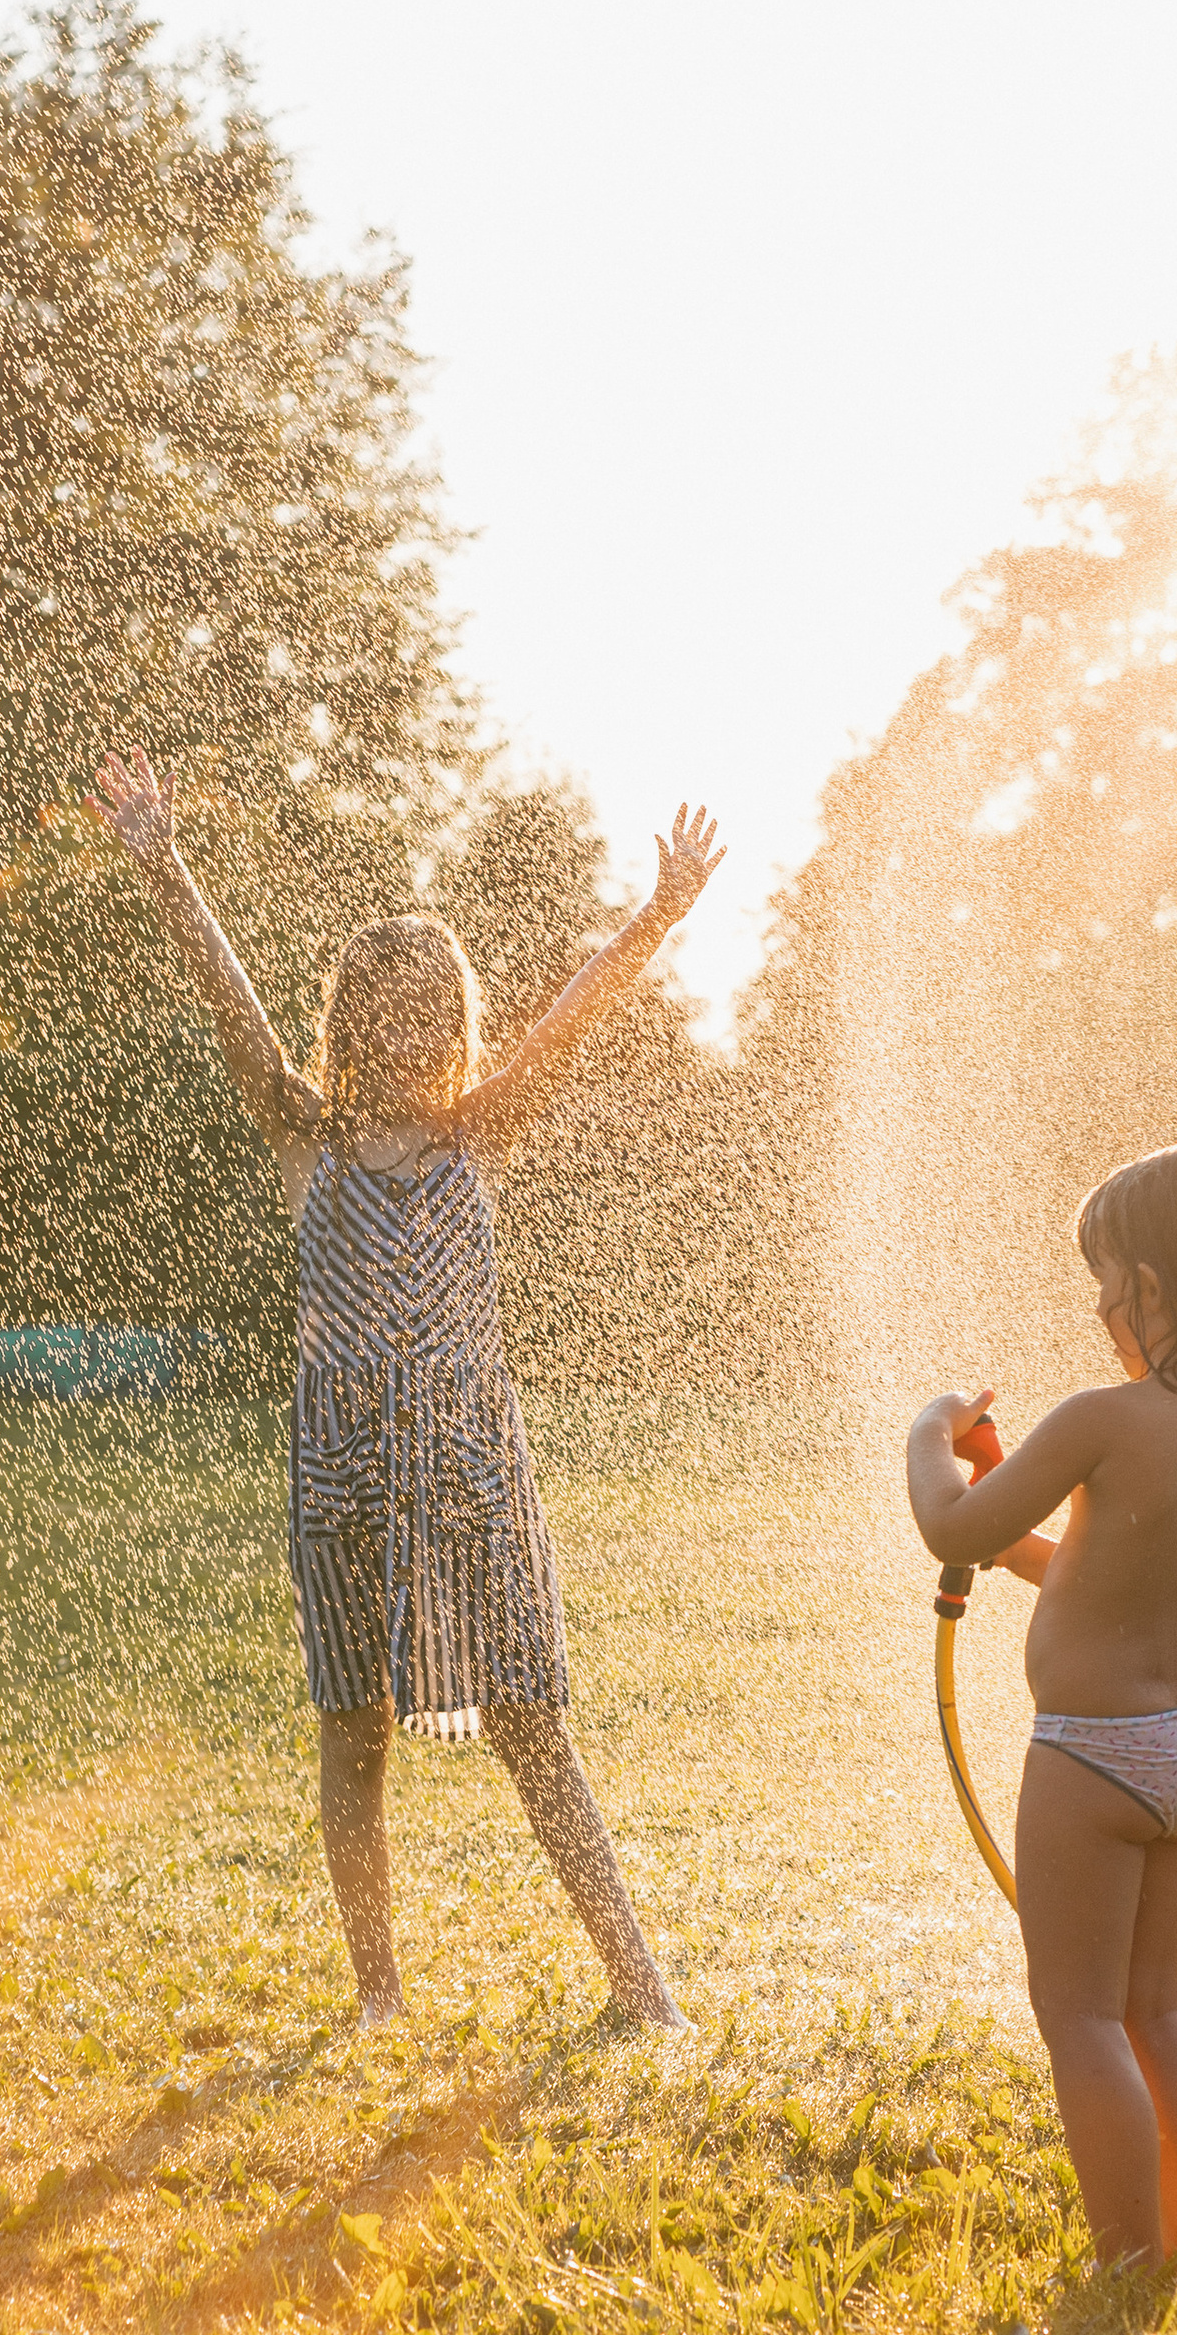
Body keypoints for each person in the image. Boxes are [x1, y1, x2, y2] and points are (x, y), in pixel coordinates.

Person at [84, 745, 723, 2033]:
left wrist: (657, 915)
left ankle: (639, 1989)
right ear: (347, 1018)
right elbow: (230, 1004)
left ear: (455, 1018)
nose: (405, 1025)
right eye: (381, 1003)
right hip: (343, 1472)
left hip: (472, 1462)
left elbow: (575, 1015)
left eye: (430, 1003)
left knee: (531, 1716)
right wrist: (165, 867)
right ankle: (379, 1997)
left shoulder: (481, 1129)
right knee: (353, 1728)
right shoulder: (301, 1132)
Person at [902, 1141, 1177, 2263]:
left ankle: (1126, 2258)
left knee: (1078, 2013)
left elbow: (950, 1530)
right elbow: (1098, 1566)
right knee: (1156, 2006)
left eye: (1104, 1278)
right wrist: (1018, 1501)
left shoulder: (1101, 1418)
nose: (1099, 1304)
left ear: (1151, 1284)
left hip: (1095, 1757)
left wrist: (931, 1442)